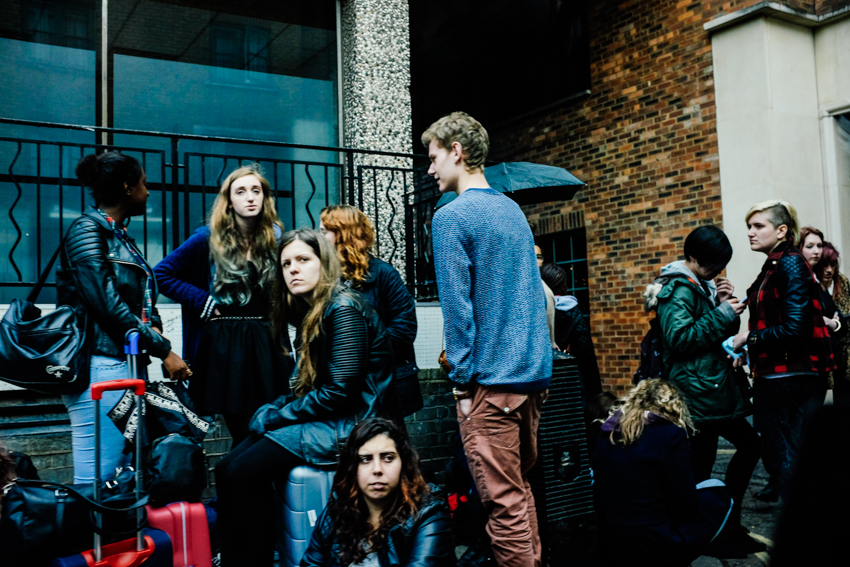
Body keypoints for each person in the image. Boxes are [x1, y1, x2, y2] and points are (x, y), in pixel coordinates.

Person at [214, 229, 394, 567]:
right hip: (329, 418)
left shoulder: (344, 309)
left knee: (240, 472)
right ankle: (248, 556)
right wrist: (276, 406)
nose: (293, 269)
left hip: (354, 425)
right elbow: (307, 387)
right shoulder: (314, 311)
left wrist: (275, 416)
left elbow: (340, 393)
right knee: (226, 468)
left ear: (323, 263)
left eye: (303, 259)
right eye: (286, 264)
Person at [424, 111, 552, 567]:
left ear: (456, 151)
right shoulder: (512, 210)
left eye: (433, 157)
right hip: (531, 381)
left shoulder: (450, 217)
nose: (430, 168)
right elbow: (530, 298)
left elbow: (458, 311)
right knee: (518, 494)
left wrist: (461, 385)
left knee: (504, 505)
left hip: (492, 386)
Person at [57, 152, 189, 483]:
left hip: (123, 364)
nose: (148, 191)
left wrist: (153, 323)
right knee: (98, 481)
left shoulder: (117, 234)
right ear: (128, 187)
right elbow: (107, 306)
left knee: (119, 478)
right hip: (99, 365)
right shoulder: (87, 231)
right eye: (144, 183)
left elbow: (138, 297)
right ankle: (89, 522)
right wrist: (164, 350)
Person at [154, 164, 293, 447]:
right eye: (240, 192)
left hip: (267, 341)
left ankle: (249, 474)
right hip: (225, 344)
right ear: (229, 201)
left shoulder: (276, 239)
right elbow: (161, 274)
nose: (250, 197)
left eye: (256, 191)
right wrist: (201, 300)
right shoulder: (207, 238)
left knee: (268, 426)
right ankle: (240, 473)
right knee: (243, 429)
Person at [646, 225, 762, 557]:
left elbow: (714, 334)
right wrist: (722, 312)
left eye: (722, 265)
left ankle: (721, 525)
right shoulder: (678, 289)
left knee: (712, 459)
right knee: (709, 461)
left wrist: (722, 305)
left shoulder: (700, 286)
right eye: (714, 264)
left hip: (710, 389)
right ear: (693, 257)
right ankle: (714, 529)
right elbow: (679, 339)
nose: (718, 271)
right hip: (697, 392)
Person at [733, 201, 834, 500]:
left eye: (758, 226)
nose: (750, 232)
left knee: (787, 454)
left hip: (788, 375)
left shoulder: (789, 262)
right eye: (749, 226)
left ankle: (803, 521)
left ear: (781, 230)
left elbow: (794, 329)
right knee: (783, 451)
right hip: (780, 373)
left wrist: (748, 339)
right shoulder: (776, 263)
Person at [593, 379, 733, 567]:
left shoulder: (606, 431)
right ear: (673, 406)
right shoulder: (670, 433)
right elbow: (685, 504)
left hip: (609, 537)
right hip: (651, 539)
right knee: (718, 493)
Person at [300, 418, 456, 567]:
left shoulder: (429, 516)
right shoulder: (335, 513)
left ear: (403, 463)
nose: (377, 469)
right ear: (352, 468)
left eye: (388, 458)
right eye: (366, 459)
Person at [319, 205, 422, 419]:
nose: (318, 238)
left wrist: (358, 352)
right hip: (340, 385)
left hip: (382, 385)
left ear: (343, 235)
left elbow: (405, 329)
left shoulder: (384, 275)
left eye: (324, 232)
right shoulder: (324, 276)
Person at [540, 262, 602, 400]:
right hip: (570, 381)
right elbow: (586, 355)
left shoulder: (533, 312)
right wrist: (596, 394)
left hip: (541, 382)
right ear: (563, 287)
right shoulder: (572, 311)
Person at [816, 242, 850, 406]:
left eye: (833, 264)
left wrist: (835, 323)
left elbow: (846, 322)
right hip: (823, 355)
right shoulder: (812, 287)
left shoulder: (842, 283)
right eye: (825, 265)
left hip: (844, 355)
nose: (829, 270)